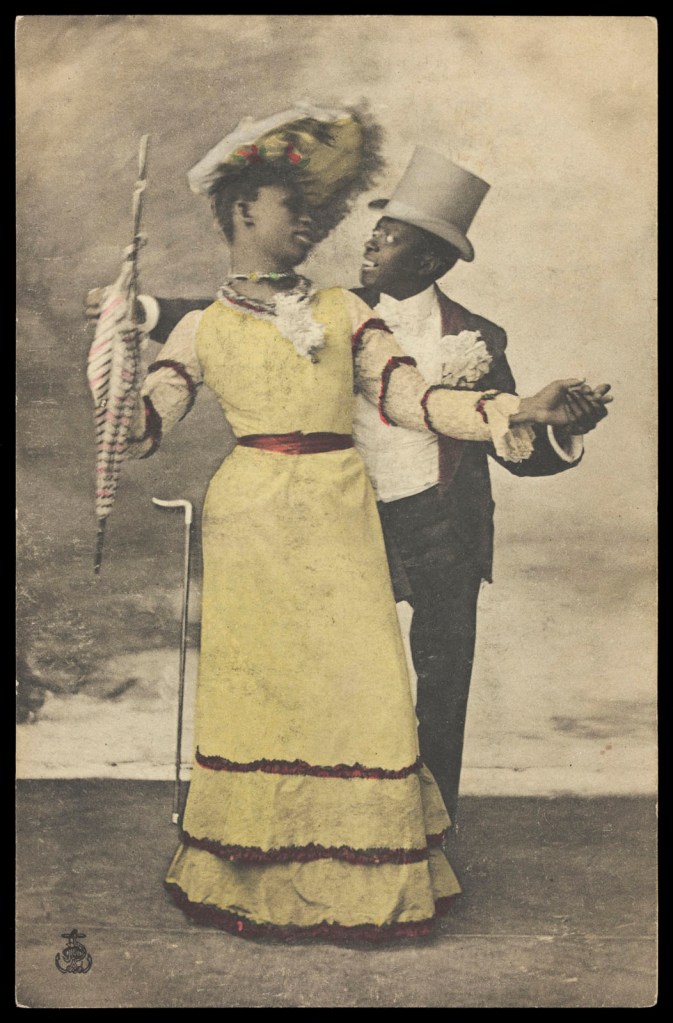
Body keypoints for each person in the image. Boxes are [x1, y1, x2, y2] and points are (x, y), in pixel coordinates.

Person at [90, 105, 611, 941]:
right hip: (249, 518)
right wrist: (117, 378)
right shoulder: (200, 326)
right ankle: (256, 871)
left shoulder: (346, 312)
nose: (315, 225)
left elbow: (420, 402)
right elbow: (149, 424)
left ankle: (368, 876)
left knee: (360, 692)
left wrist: (520, 406)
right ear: (243, 210)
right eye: (292, 206)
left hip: (344, 514)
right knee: (263, 691)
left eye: (318, 212)